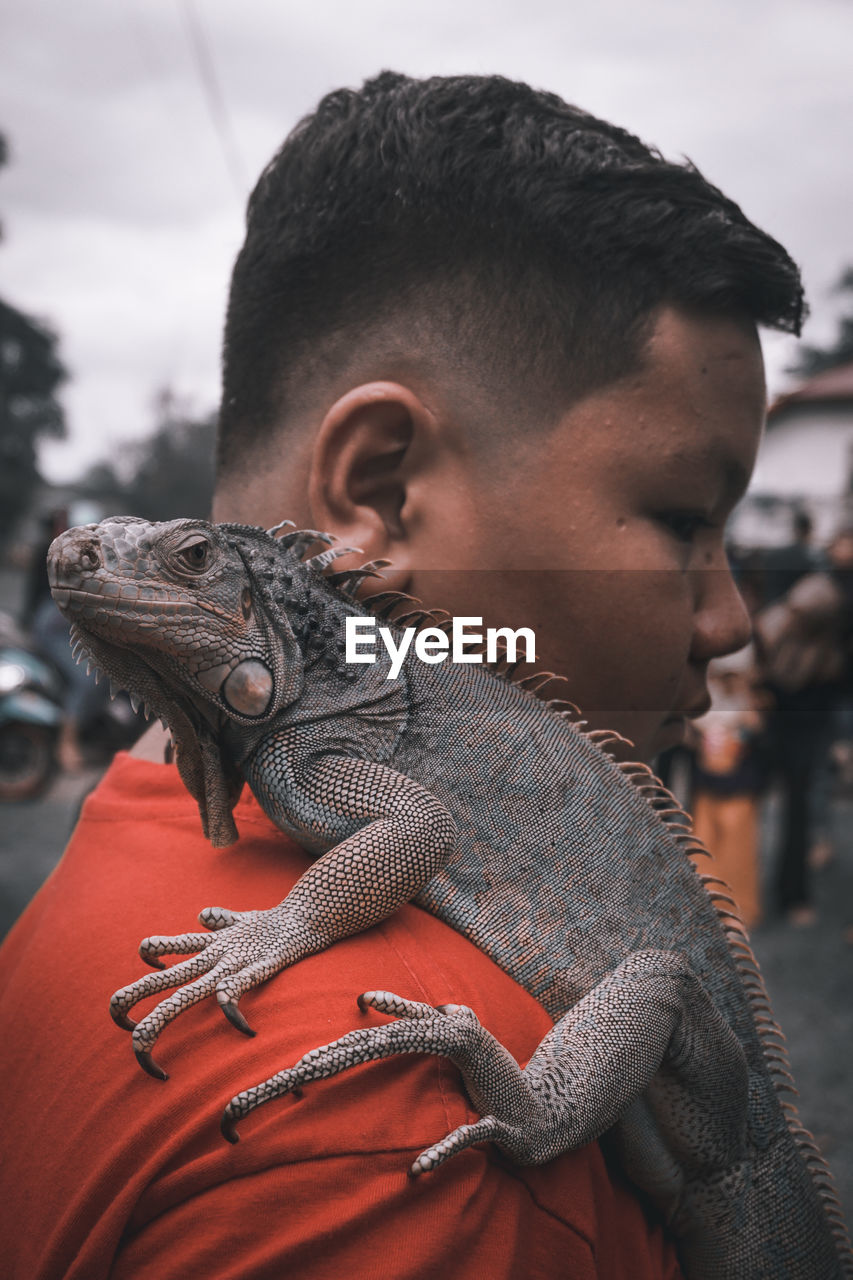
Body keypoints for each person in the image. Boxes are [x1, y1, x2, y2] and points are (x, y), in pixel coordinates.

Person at [0, 72, 806, 1279]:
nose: (733, 618)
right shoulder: (382, 1133)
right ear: (379, 492)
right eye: (683, 517)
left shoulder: (112, 858)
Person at [687, 645, 767, 931]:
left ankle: (738, 911)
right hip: (707, 781)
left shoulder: (750, 698)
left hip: (739, 784)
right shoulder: (705, 694)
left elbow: (757, 727)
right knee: (704, 846)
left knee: (738, 850)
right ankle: (707, 909)